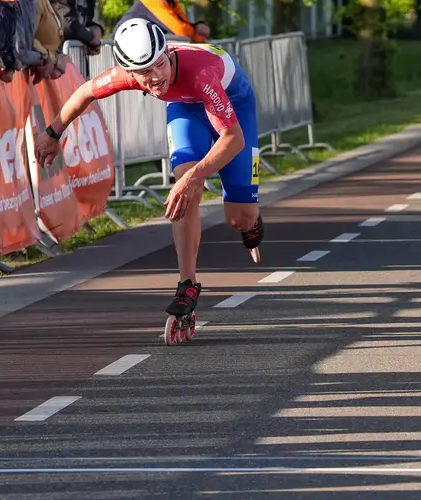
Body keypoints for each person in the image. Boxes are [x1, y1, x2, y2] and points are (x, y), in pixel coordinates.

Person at [33, 18, 264, 319]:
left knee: (238, 217)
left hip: (230, 104)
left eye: (159, 65)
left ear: (167, 53)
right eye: (144, 73)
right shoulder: (128, 75)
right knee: (182, 185)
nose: (156, 77)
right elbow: (86, 92)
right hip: (186, 105)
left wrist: (196, 177)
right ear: (129, 73)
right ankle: (188, 283)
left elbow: (233, 139)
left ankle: (252, 223)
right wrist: (52, 133)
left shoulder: (200, 73)